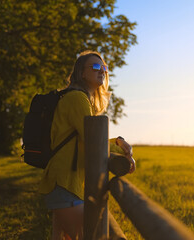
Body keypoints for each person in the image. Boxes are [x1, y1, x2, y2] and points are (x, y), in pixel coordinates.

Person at [39, 50, 136, 240]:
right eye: (96, 67)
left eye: (104, 68)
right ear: (82, 73)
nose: (102, 71)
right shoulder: (77, 98)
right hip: (65, 185)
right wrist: (120, 145)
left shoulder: (81, 99)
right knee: (96, 236)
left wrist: (117, 142)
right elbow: (93, 139)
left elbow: (90, 136)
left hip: (67, 184)